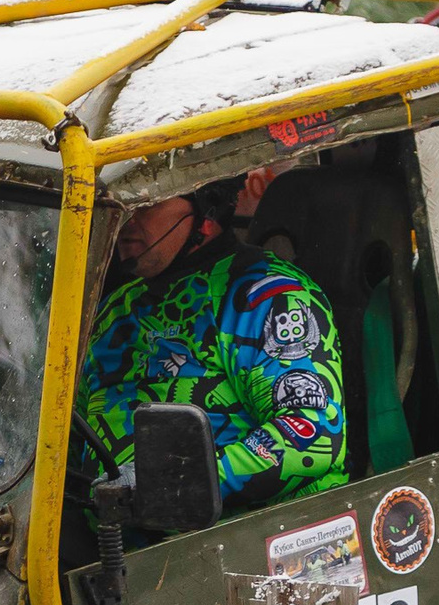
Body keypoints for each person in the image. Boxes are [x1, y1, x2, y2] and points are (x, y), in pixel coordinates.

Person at [74, 182, 348, 519]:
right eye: (117, 204)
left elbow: (310, 433)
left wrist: (168, 486)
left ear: (207, 210)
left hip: (246, 549)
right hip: (111, 554)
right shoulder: (115, 309)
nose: (125, 218)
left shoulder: (266, 297)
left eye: (144, 203)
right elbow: (69, 431)